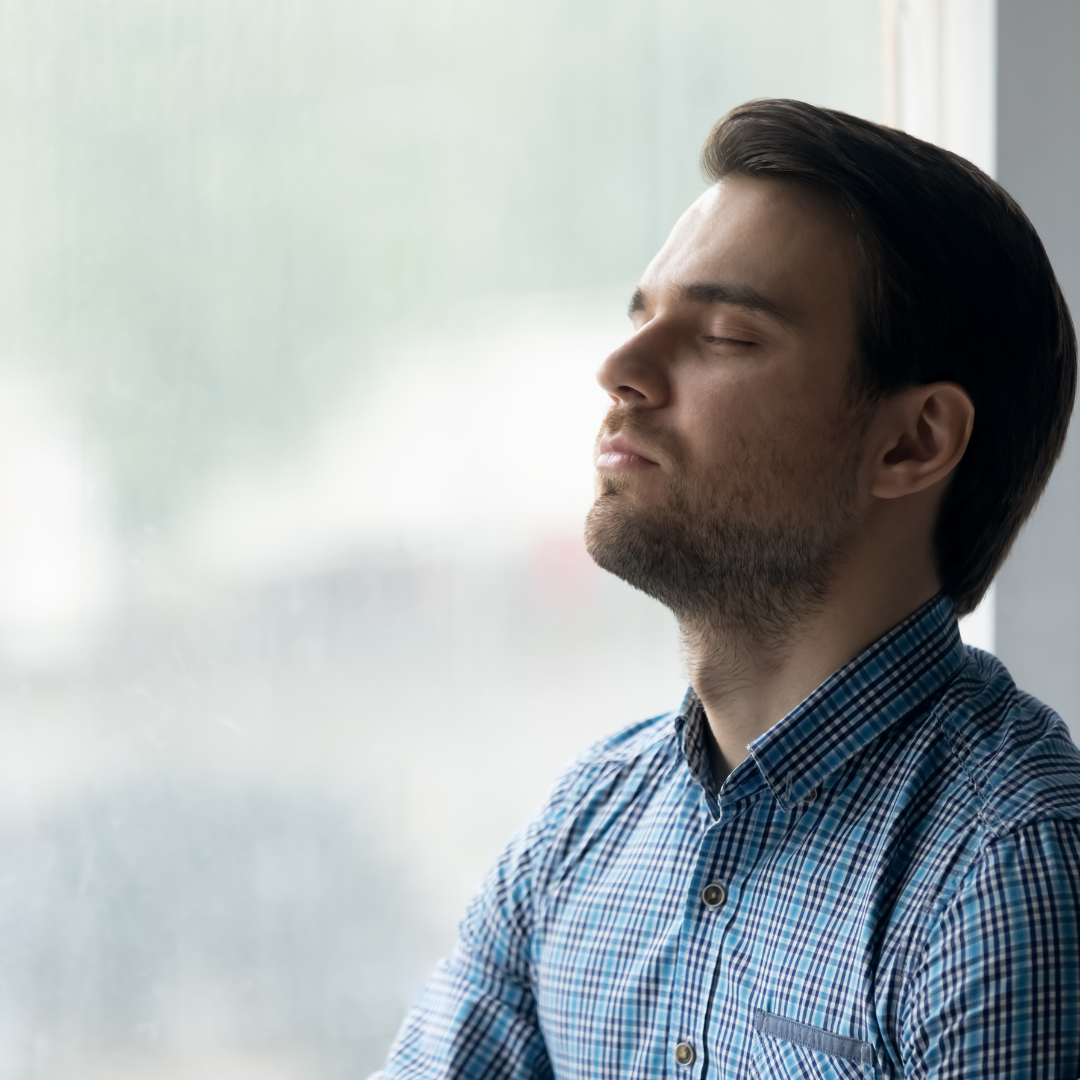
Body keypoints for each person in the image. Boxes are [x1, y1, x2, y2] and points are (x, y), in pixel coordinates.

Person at [377, 100, 1080, 1079]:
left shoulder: (1009, 871)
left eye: (725, 335)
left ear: (912, 441)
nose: (619, 370)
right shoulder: (586, 828)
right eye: (643, 319)